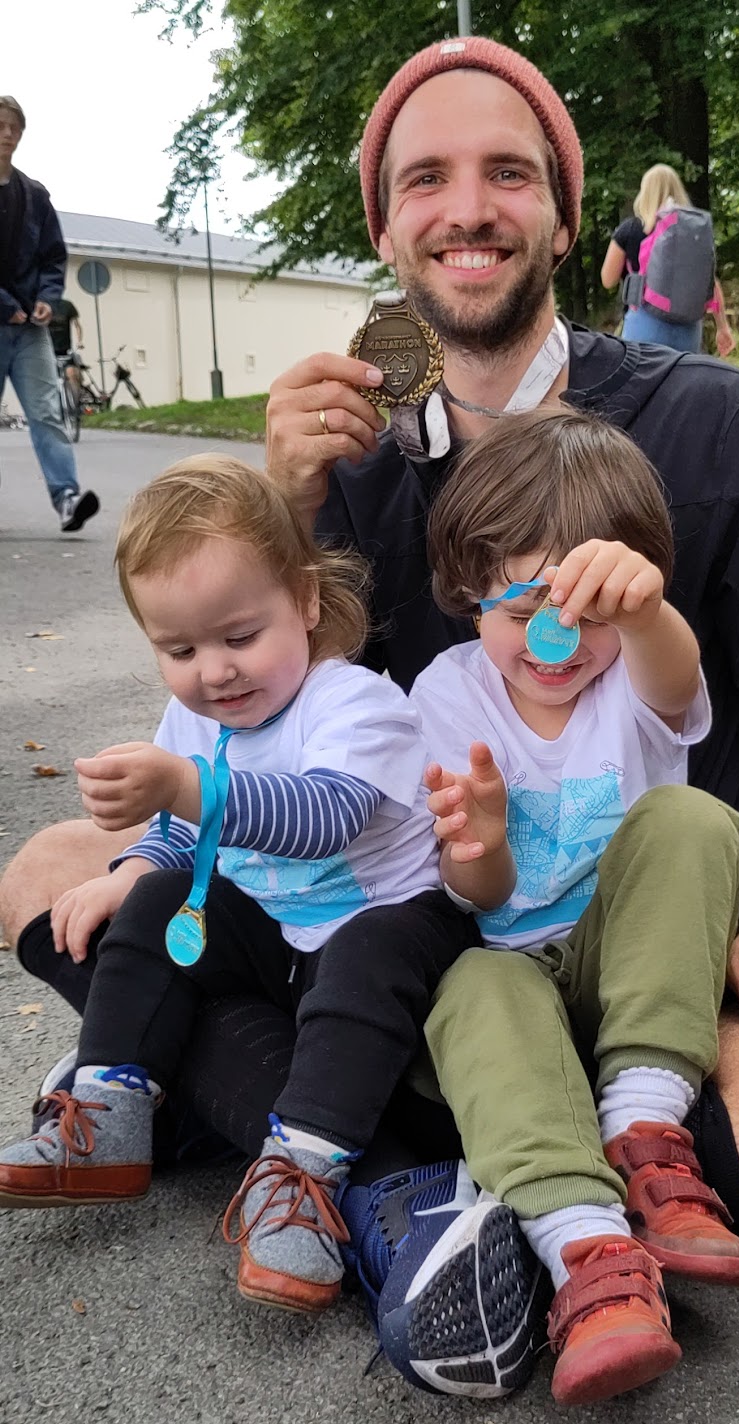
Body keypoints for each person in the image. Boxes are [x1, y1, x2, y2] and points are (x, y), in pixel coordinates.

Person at [1, 36, 739, 1396]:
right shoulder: (356, 447)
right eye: (425, 178)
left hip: (621, 952)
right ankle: (401, 1196)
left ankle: (301, 1139)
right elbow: (268, 702)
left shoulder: (711, 420)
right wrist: (283, 514)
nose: (466, 207)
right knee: (56, 871)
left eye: (506, 173)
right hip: (395, 938)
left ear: (562, 210)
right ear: (385, 222)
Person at [0, 455, 474, 1315]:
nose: (214, 672)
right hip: (281, 936)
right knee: (158, 898)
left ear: (306, 601)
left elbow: (322, 816)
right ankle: (109, 1110)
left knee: (369, 953)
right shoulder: (198, 715)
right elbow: (187, 829)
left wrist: (186, 789)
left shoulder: (354, 702)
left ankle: (306, 1169)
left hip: (387, 926)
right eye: (179, 649)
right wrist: (136, 868)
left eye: (238, 637)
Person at [406, 407, 739, 1405]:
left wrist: (643, 612)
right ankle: (592, 1260)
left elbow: (675, 674)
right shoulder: (445, 694)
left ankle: (646, 1133)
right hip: (516, 968)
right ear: (469, 591)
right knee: (470, 980)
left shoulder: (632, 675)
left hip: (629, 964)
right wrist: (478, 846)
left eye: (586, 612)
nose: (556, 640)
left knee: (691, 817)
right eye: (522, 608)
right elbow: (477, 896)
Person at [0, 96, 98, 531]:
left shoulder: (35, 196)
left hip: (30, 332)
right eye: (0, 125)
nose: (6, 134)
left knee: (47, 413)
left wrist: (47, 297)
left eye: (14, 127)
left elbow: (53, 257)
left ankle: (67, 499)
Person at [600, 162, 736, 356]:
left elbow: (608, 280)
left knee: (641, 385)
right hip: (689, 330)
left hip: (644, 327)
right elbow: (711, 283)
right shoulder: (692, 233)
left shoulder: (630, 229)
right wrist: (722, 328)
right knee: (682, 385)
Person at [47, 295, 83, 390]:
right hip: (48, 349)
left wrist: (79, 342)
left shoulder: (67, 305)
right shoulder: (44, 306)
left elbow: (77, 326)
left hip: (65, 348)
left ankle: (77, 399)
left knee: (73, 374)